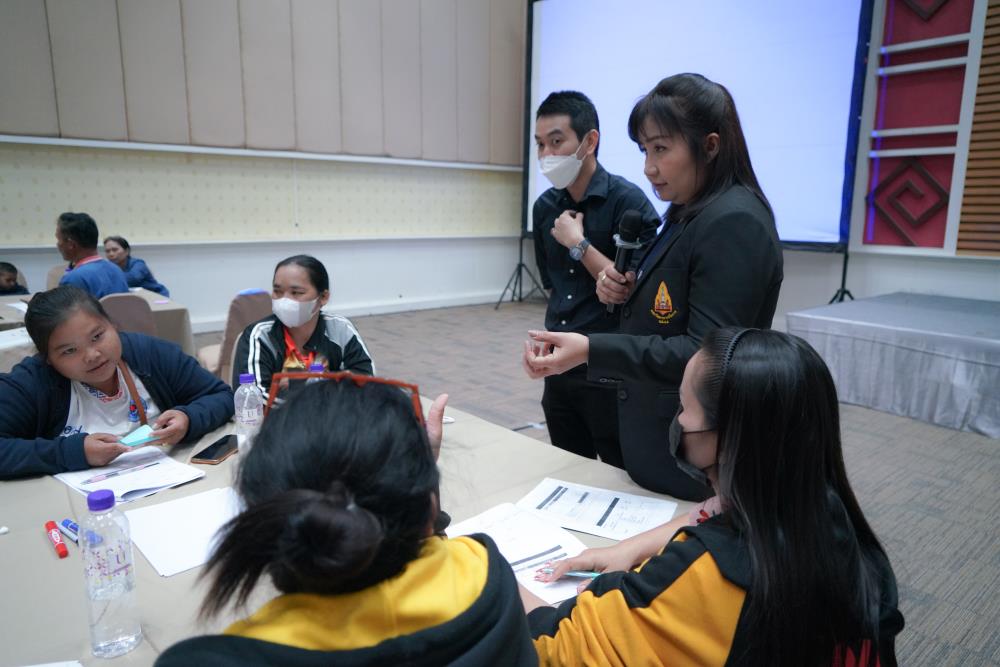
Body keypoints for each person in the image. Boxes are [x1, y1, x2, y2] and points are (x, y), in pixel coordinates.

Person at [524, 328, 905, 666]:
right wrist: (626, 549)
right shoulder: (840, 528)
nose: (678, 420)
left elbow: (556, 648)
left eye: (685, 407)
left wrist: (497, 578)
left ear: (728, 437)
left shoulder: (708, 573)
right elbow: (714, 509)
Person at [154, 378, 537, 666]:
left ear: (262, 519)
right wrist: (420, 492)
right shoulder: (484, 569)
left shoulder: (214, 658)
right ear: (429, 508)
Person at [524, 74, 783, 499]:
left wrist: (591, 349)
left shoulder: (733, 221)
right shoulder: (687, 211)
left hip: (694, 447)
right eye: (644, 150)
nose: (648, 167)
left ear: (710, 146)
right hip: (653, 430)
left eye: (660, 149)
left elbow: (707, 354)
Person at [531, 91, 659, 465]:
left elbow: (636, 293)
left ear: (589, 141)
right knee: (569, 467)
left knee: (622, 471)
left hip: (611, 368)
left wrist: (578, 243)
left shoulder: (629, 203)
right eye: (540, 144)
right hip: (559, 365)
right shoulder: (544, 208)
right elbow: (553, 286)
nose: (546, 154)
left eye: (556, 141)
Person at [0, 286, 234, 479]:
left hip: (168, 483)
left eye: (97, 336)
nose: (92, 355)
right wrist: (74, 452)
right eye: (69, 350)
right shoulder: (32, 381)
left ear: (112, 325)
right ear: (48, 359)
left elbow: (220, 395)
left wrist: (188, 418)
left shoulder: (150, 354)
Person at [233, 255, 374, 398]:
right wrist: (328, 386)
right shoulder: (259, 336)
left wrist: (298, 383)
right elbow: (253, 398)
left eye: (296, 293)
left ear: (323, 297)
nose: (284, 301)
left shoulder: (340, 329)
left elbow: (367, 381)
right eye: (278, 291)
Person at [55, 212, 129, 299]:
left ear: (71, 244)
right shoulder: (116, 270)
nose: (57, 244)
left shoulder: (72, 280)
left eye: (58, 239)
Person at [103, 235, 170, 296]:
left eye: (115, 250)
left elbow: (133, 278)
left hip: (156, 296)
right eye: (107, 251)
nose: (111, 254)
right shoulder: (108, 267)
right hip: (135, 299)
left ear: (127, 251)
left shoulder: (138, 264)